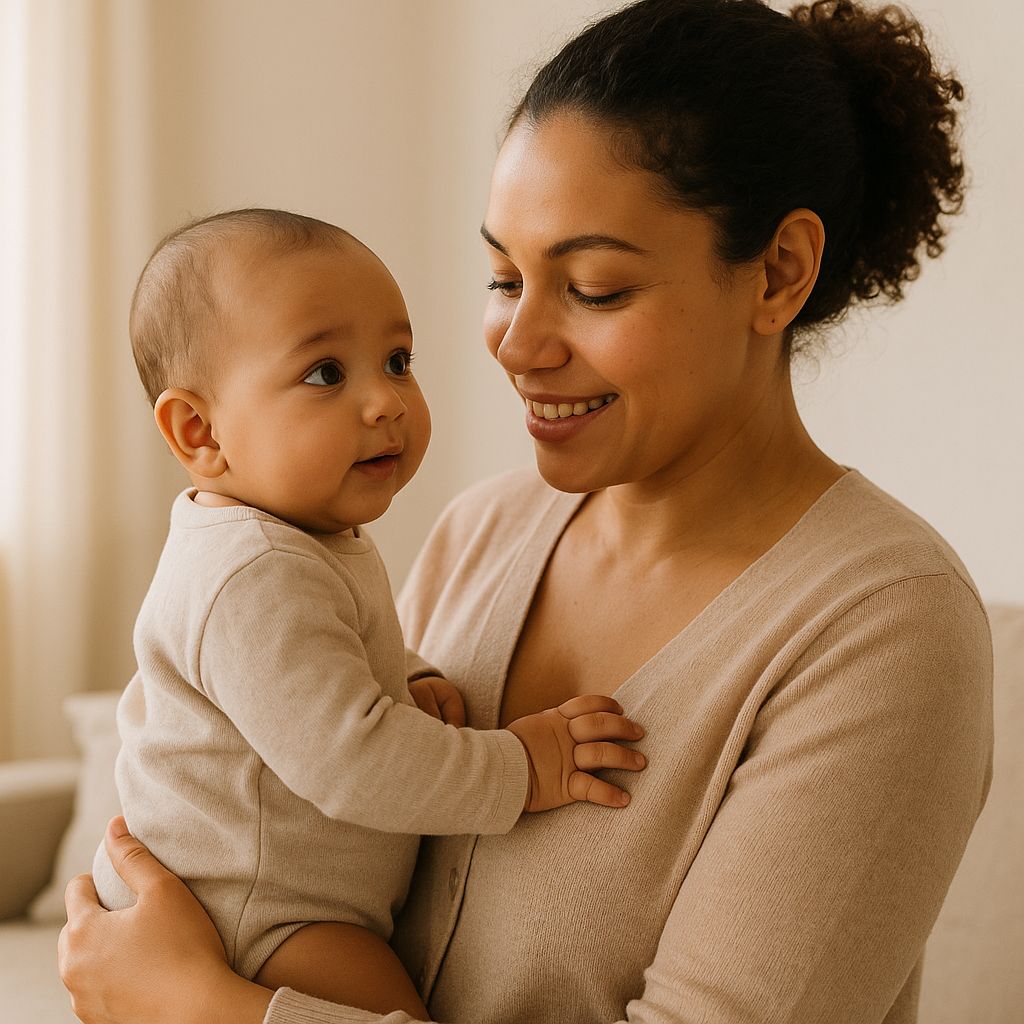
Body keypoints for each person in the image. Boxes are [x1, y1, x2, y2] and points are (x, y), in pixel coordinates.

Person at [59, 1, 994, 1022]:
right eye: (504, 276)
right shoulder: (481, 532)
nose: (514, 341)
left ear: (776, 273)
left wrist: (206, 1007)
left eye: (592, 288)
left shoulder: (885, 627)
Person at [88, 208, 647, 1019]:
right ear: (200, 431)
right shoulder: (254, 570)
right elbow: (350, 760)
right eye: (325, 374)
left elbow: (303, 681)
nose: (385, 401)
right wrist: (525, 767)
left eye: (397, 360)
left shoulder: (291, 541)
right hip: (249, 913)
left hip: (263, 894)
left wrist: (403, 675)